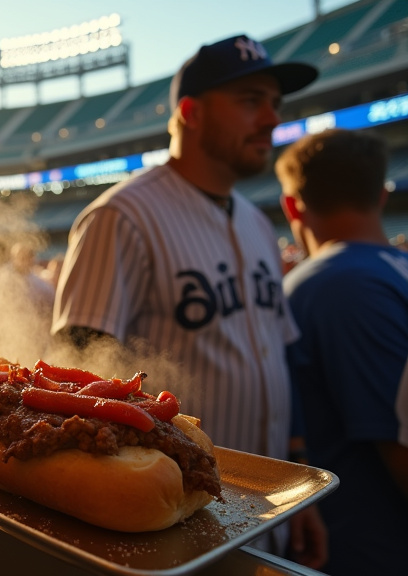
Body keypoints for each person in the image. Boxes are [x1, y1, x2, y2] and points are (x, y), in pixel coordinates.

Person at [51, 35, 324, 564]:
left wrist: (296, 486)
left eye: (274, 102)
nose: (272, 118)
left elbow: (280, 358)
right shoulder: (121, 216)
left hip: (268, 503)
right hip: (171, 520)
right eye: (251, 101)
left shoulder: (257, 221)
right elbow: (77, 369)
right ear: (191, 113)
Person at [277, 128, 408, 575]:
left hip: (365, 546)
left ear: (292, 206)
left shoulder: (329, 285)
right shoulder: (393, 270)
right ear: (381, 195)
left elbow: (395, 438)